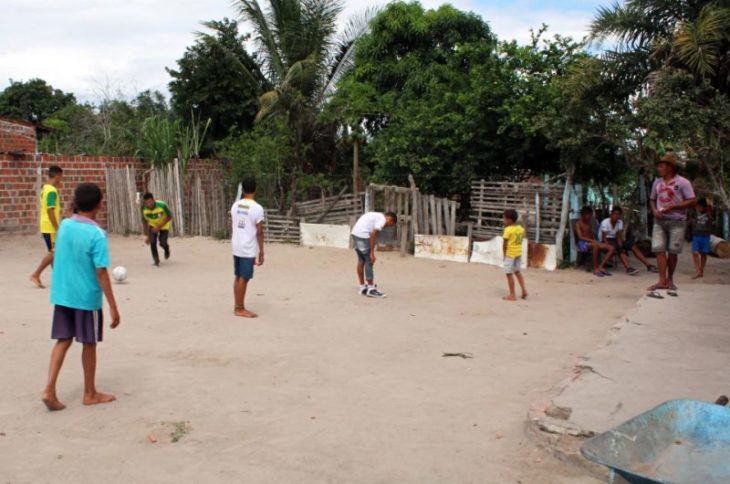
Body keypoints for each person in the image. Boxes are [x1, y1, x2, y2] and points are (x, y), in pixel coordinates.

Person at [41, 183, 121, 411]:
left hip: (63, 295)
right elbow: (101, 271)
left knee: (63, 340)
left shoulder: (65, 225)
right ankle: (89, 393)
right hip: (86, 298)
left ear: (75, 203)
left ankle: (49, 389)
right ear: (99, 205)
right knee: (89, 342)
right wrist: (113, 306)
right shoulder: (96, 234)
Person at [648, 152, 696, 293]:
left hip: (677, 221)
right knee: (659, 249)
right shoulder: (657, 182)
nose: (659, 168)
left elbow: (691, 200)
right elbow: (652, 199)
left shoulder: (683, 182)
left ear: (670, 167)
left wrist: (674, 206)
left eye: (661, 165)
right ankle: (662, 280)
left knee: (672, 252)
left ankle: (670, 279)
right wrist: (654, 209)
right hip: (659, 220)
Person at [231, 177, 265, 318]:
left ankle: (238, 305)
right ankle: (239, 308)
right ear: (255, 189)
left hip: (236, 244)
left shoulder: (235, 205)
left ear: (243, 189)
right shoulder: (257, 208)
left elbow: (232, 224)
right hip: (247, 246)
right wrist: (261, 251)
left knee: (238, 276)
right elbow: (260, 231)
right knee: (244, 278)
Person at [30, 165, 64, 288]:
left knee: (55, 253)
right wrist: (57, 228)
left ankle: (59, 279)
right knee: (54, 253)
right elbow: (50, 211)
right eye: (61, 177)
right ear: (56, 176)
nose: (61, 180)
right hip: (50, 227)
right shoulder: (51, 191)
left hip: (46, 225)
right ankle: (36, 274)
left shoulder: (45, 188)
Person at [598, 206, 657, 276]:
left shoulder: (619, 222)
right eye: (615, 214)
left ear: (620, 216)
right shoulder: (605, 222)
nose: (616, 216)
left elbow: (618, 236)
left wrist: (621, 246)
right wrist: (616, 249)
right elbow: (604, 238)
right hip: (605, 240)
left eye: (618, 214)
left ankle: (649, 265)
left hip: (614, 239)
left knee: (632, 245)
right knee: (618, 249)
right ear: (611, 214)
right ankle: (628, 268)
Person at [351, 211, 397, 298]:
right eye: (390, 224)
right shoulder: (382, 219)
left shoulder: (377, 216)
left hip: (355, 234)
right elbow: (373, 234)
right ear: (390, 219)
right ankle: (371, 289)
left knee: (361, 261)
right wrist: (372, 252)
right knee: (369, 260)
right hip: (362, 236)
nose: (388, 226)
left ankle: (362, 287)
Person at [575, 206, 615, 277]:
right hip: (582, 244)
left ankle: (601, 266)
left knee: (611, 248)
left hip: (591, 242)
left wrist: (595, 240)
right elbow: (580, 237)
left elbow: (591, 234)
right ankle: (595, 268)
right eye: (588, 215)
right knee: (596, 246)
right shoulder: (578, 224)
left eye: (590, 215)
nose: (590, 217)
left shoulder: (589, 223)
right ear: (583, 215)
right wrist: (593, 241)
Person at [502, 209, 528, 301]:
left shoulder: (507, 230)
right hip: (518, 253)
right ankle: (524, 290)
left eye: (504, 219)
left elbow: (504, 243)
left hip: (510, 254)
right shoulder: (520, 229)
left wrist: (504, 254)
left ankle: (512, 295)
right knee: (517, 272)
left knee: (509, 274)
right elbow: (524, 234)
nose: (503, 221)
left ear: (510, 220)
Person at [141, 193, 173, 266]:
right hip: (152, 225)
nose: (149, 204)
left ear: (153, 200)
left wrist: (158, 227)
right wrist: (148, 236)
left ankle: (167, 249)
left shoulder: (162, 205)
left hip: (163, 224)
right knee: (152, 242)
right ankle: (156, 260)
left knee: (162, 242)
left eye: (150, 202)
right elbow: (145, 222)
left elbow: (169, 216)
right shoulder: (144, 209)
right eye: (146, 203)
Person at [691, 198, 712, 279]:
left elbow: (710, 206)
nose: (698, 208)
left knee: (704, 253)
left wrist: (707, 206)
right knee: (695, 253)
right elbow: (691, 204)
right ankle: (697, 270)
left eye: (700, 206)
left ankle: (701, 270)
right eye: (697, 206)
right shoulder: (695, 213)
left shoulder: (709, 213)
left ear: (705, 207)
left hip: (705, 236)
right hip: (696, 235)